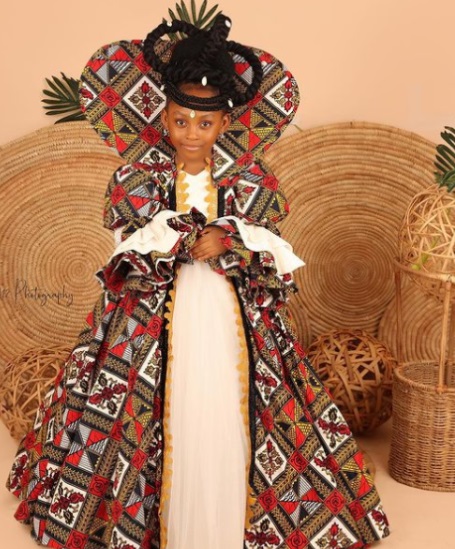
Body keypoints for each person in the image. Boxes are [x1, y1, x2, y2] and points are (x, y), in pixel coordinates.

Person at [6, 13, 390, 549]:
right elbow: (127, 240)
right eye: (181, 121)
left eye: (204, 124)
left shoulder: (250, 180)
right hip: (152, 308)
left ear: (225, 124)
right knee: (139, 398)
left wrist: (228, 239)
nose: (191, 134)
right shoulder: (139, 178)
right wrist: (177, 240)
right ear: (164, 118)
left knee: (240, 396)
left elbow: (271, 244)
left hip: (230, 308)